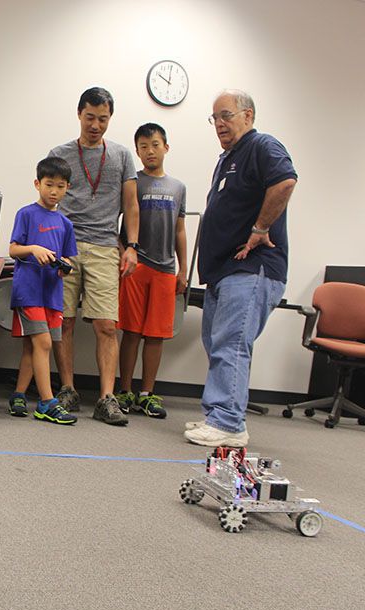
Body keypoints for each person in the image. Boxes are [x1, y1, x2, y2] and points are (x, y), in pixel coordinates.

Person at [185, 90, 297, 447]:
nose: (219, 123)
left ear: (248, 116)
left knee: (231, 344)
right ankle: (219, 415)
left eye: (226, 115)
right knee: (217, 343)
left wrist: (260, 229)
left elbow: (285, 181)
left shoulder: (263, 145)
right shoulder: (228, 158)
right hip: (224, 270)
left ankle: (229, 423)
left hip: (252, 267)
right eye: (214, 118)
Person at [48, 87, 139, 426]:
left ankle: (106, 397)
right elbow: (48, 200)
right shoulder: (60, 153)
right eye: (90, 118)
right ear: (79, 115)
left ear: (109, 119)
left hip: (104, 246)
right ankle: (68, 388)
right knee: (64, 320)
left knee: (106, 325)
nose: (96, 125)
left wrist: (132, 246)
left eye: (103, 119)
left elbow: (131, 204)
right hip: (66, 246)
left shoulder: (121, 155)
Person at [114, 123, 187, 419]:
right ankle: (126, 391)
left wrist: (183, 270)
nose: (149, 151)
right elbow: (114, 221)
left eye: (155, 144)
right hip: (135, 268)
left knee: (155, 335)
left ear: (166, 147)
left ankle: (147, 393)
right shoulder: (132, 182)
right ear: (137, 151)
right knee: (131, 332)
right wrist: (123, 254)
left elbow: (180, 230)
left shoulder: (178, 187)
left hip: (165, 270)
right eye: (143, 146)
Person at [8, 157, 78, 424]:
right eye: (49, 184)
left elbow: (69, 258)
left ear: (67, 188)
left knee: (33, 346)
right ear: (38, 183)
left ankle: (18, 394)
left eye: (60, 186)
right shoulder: (26, 214)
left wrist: (65, 267)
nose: (54, 191)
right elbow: (13, 249)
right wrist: (33, 249)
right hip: (28, 291)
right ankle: (47, 403)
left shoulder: (65, 224)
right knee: (44, 343)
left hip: (52, 295)